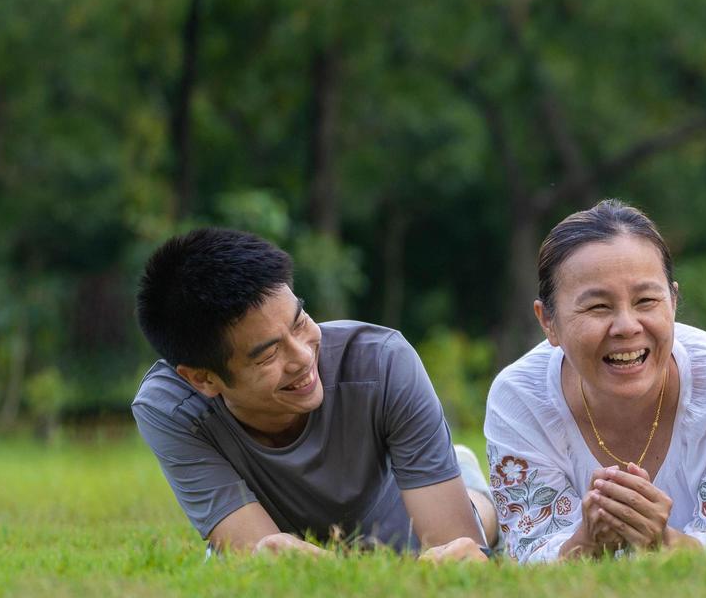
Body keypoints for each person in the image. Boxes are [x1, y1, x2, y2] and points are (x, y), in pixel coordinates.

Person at [484, 199, 706, 562]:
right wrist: (586, 542)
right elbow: (531, 552)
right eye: (598, 307)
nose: (627, 326)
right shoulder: (519, 397)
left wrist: (665, 543)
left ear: (673, 302)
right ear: (548, 322)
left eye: (646, 300)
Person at [132, 228, 492, 561]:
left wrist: (457, 552)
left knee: (475, 529)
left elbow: (458, 550)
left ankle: (468, 484)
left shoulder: (381, 362)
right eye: (269, 353)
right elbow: (266, 554)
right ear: (203, 379)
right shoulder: (172, 408)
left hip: (398, 520)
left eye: (300, 320)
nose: (303, 357)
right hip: (292, 534)